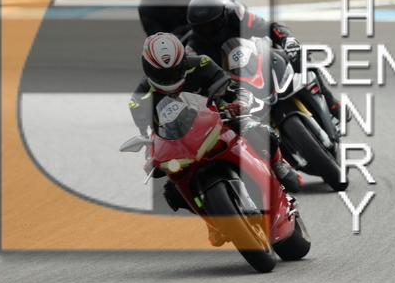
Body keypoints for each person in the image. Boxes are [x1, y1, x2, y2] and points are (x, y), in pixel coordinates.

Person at [128, 33, 303, 245]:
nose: (170, 77)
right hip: (181, 143)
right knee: (171, 191)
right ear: (148, 69)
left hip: (220, 118)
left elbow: (231, 86)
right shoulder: (139, 98)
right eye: (162, 73)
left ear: (183, 61)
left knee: (258, 130)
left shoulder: (201, 63)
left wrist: (239, 102)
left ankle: (278, 164)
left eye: (175, 70)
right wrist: (150, 156)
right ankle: (211, 221)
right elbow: (148, 133)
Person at [185, 0, 347, 121]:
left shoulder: (236, 15)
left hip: (257, 62)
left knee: (299, 55)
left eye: (213, 24)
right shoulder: (192, 48)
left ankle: (330, 102)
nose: (209, 30)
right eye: (203, 28)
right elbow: (195, 82)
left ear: (223, 15)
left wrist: (288, 40)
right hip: (235, 88)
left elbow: (270, 27)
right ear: (194, 28)